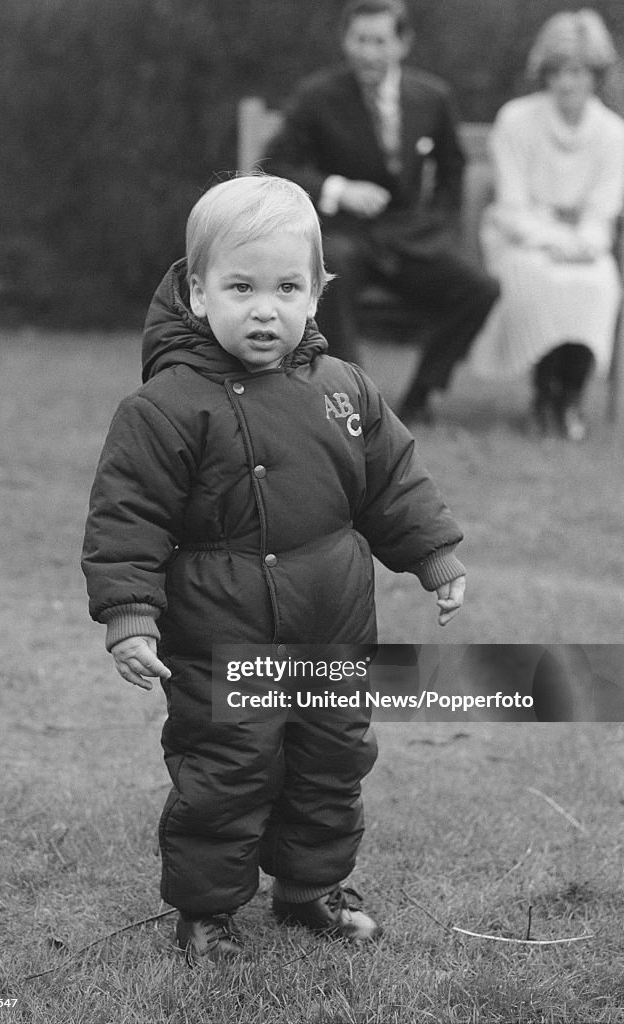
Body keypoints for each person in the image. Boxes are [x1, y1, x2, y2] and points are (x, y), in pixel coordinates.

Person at [82, 174, 466, 964]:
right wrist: (129, 614)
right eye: (242, 287)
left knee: (331, 759)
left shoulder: (343, 390)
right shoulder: (164, 408)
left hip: (332, 625)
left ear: (317, 295)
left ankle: (308, 890)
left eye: (287, 287)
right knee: (227, 767)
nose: (266, 308)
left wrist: (434, 556)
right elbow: (128, 517)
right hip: (223, 633)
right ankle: (207, 911)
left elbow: (393, 481)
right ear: (197, 291)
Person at [261, 0, 500, 424]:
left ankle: (422, 394)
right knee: (328, 272)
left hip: (410, 239)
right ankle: (353, 397)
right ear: (345, 42)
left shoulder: (433, 97)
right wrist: (339, 189)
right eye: (361, 40)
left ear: (402, 44)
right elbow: (275, 164)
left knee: (479, 288)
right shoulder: (317, 97)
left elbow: (453, 171)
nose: (369, 52)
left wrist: (437, 226)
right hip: (346, 236)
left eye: (380, 41)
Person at [470, 10, 624, 441]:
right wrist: (552, 241)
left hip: (585, 245)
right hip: (519, 238)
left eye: (576, 72)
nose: (566, 83)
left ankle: (569, 396)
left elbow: (604, 211)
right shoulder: (516, 119)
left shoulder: (613, 133)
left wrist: (582, 245)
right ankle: (544, 393)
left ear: (594, 74)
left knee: (597, 284)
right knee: (540, 279)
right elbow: (511, 205)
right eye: (556, 71)